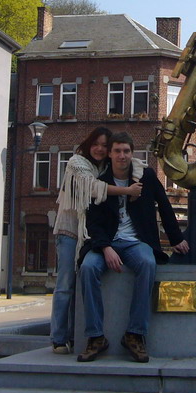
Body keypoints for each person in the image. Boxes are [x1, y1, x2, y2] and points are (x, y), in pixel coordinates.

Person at [77, 132, 189, 363]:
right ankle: (96, 336)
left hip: (136, 242)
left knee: (148, 263)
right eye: (117, 151)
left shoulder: (145, 176)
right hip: (106, 243)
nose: (122, 155)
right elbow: (93, 222)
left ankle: (135, 334)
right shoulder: (101, 180)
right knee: (88, 268)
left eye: (126, 151)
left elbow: (165, 206)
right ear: (110, 154)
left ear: (132, 153)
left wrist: (176, 238)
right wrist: (105, 248)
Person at [49, 127, 142, 354]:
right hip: (70, 230)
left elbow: (136, 163)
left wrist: (137, 175)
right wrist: (127, 191)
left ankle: (73, 334)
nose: (100, 149)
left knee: (81, 283)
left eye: (104, 145)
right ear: (88, 144)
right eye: (96, 144)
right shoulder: (76, 162)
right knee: (65, 284)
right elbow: (92, 188)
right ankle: (59, 338)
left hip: (88, 234)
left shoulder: (104, 166)